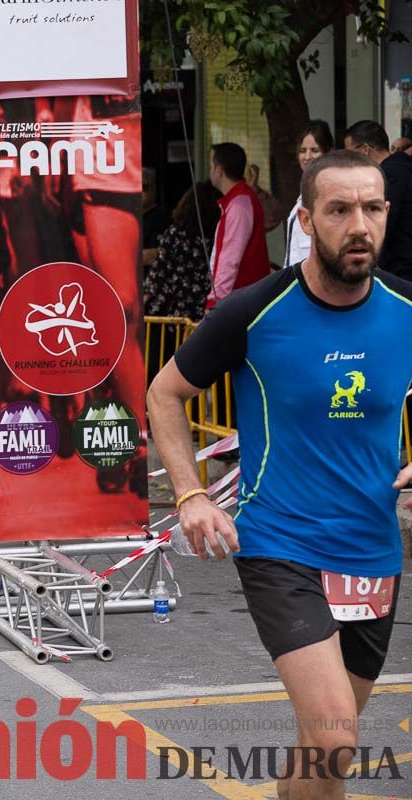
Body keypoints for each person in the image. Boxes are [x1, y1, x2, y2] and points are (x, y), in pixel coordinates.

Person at [148, 149, 411, 800]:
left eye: (372, 208)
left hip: (373, 552)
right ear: (305, 218)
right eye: (339, 209)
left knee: (321, 756)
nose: (359, 225)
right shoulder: (254, 312)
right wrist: (191, 495)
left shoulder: (406, 309)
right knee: (333, 735)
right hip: (280, 544)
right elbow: (164, 393)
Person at [206, 142, 271, 311]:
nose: (210, 171)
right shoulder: (239, 200)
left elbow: (229, 259)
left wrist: (216, 302)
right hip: (242, 300)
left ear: (219, 170)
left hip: (240, 303)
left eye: (210, 166)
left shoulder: (238, 204)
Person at [345, 120, 412, 280]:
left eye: (351, 154)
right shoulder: (402, 168)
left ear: (365, 150)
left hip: (402, 272)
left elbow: (381, 228)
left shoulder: (390, 176)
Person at [144, 181, 220, 321]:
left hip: (175, 312)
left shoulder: (176, 234)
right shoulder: (220, 235)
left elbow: (158, 274)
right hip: (208, 309)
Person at [283, 120, 334, 269]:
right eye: (303, 150)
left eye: (315, 150)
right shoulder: (305, 192)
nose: (307, 157)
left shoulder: (331, 193)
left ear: (328, 153)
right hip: (296, 282)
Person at [141, 168, 169, 267]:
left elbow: (162, 254)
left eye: (143, 186)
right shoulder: (122, 219)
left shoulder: (164, 217)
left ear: (153, 188)